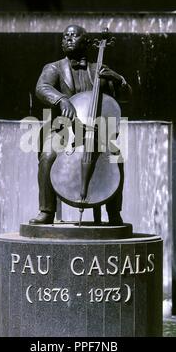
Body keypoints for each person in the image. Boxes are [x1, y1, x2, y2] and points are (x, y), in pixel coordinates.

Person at [29, 24, 131, 225]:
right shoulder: (54, 68)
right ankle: (47, 211)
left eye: (73, 36)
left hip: (95, 131)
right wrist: (61, 99)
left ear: (85, 42)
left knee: (116, 157)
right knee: (48, 155)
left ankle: (114, 213)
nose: (67, 39)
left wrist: (118, 79)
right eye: (64, 36)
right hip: (64, 128)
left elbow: (126, 98)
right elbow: (42, 87)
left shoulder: (98, 69)